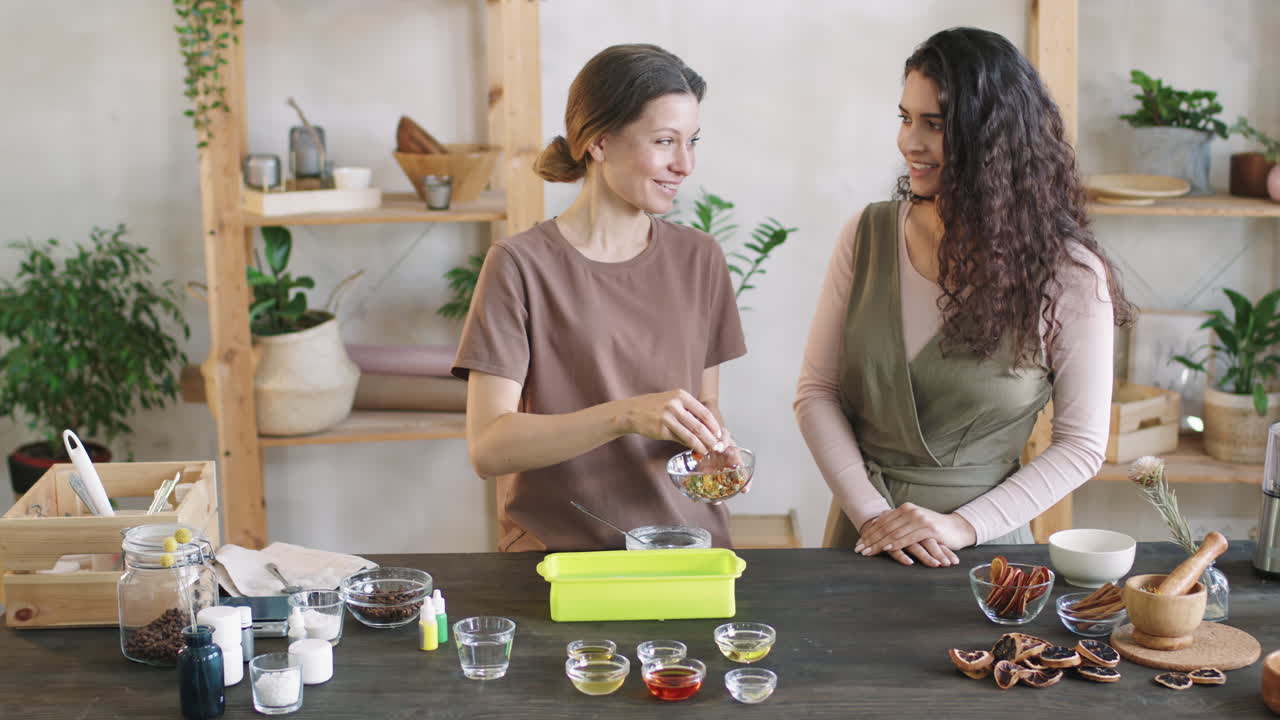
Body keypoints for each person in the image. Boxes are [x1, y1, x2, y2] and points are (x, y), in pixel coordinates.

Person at [794, 27, 1133, 568]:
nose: (911, 142)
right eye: (906, 118)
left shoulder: (1068, 274)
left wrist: (960, 526)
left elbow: (1080, 445)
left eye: (936, 124)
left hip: (986, 558)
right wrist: (872, 515)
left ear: (995, 138)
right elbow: (817, 392)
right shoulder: (866, 235)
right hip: (861, 540)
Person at [453, 44, 746, 552]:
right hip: (556, 561)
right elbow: (489, 447)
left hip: (688, 551)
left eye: (691, 141)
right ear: (599, 142)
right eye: (664, 141)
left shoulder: (700, 259)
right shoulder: (520, 266)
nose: (685, 164)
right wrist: (625, 415)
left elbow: (706, 402)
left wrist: (715, 444)